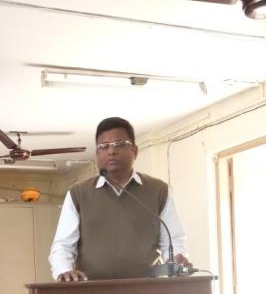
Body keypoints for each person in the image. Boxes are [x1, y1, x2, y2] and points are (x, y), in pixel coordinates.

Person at [49, 116, 191, 282]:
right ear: (97, 154)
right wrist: (65, 270)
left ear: (135, 151)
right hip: (92, 290)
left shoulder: (158, 190)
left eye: (119, 144)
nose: (111, 151)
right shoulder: (78, 194)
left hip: (148, 288)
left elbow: (173, 239)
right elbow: (63, 245)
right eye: (104, 146)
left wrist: (177, 259)